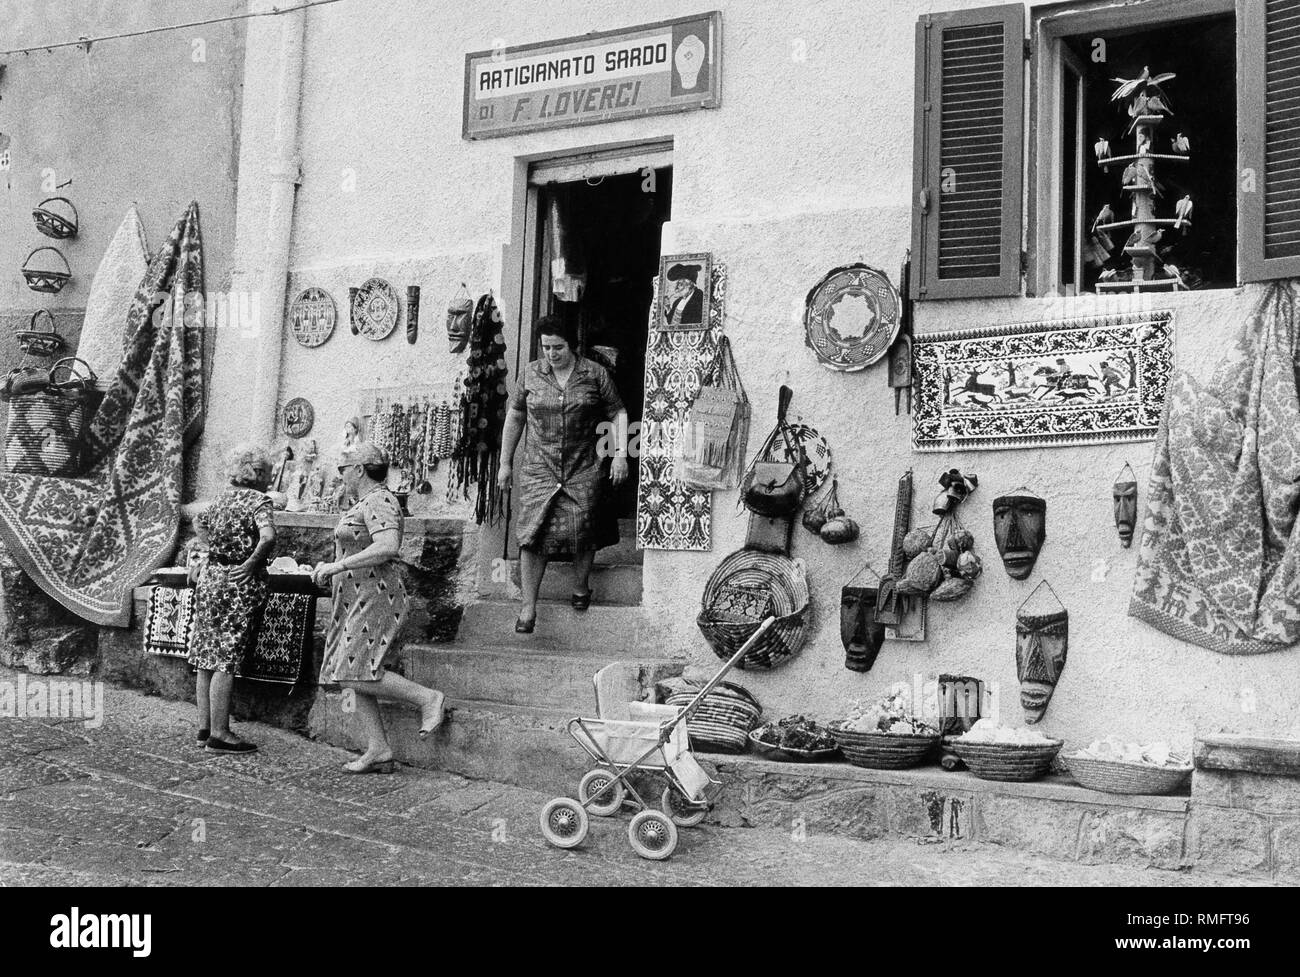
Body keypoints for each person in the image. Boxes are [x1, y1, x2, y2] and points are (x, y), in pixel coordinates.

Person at [313, 443, 445, 774]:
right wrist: (332, 568)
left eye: (343, 468)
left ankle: (427, 698)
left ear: (359, 469)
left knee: (352, 669)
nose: (340, 475)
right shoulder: (364, 502)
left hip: (376, 595)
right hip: (355, 596)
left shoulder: (381, 500)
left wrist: (336, 567)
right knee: (349, 671)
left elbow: (387, 546)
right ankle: (379, 748)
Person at [497, 316, 629, 633]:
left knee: (585, 527)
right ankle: (528, 607)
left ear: (571, 345)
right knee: (532, 534)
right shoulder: (530, 374)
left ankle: (581, 586)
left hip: (584, 463)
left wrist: (621, 454)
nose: (552, 354)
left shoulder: (595, 374)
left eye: (558, 347)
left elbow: (618, 412)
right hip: (539, 467)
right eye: (546, 347)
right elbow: (515, 416)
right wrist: (505, 462)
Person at [188, 444, 277, 754]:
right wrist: (251, 563)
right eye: (268, 471)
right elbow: (267, 537)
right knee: (226, 656)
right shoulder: (258, 501)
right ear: (259, 473)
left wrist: (211, 547)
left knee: (205, 656)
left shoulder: (222, 499)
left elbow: (199, 522)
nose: (270, 477)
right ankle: (221, 733)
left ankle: (203, 728)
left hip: (212, 578)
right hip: (238, 583)